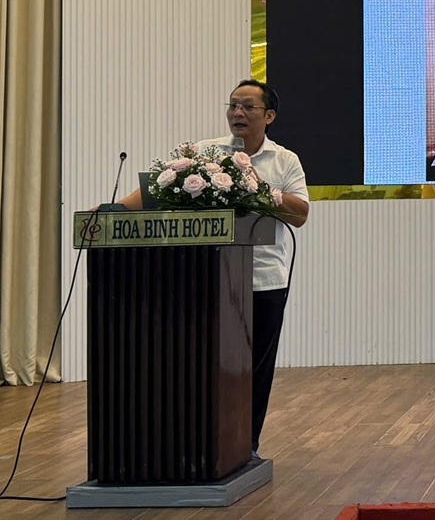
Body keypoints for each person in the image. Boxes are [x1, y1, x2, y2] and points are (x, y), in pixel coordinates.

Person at [119, 79, 309, 459]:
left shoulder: (284, 160)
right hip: (206, 277)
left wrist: (260, 189)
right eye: (233, 105)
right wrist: (113, 210)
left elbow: (300, 214)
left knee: (254, 369)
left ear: (269, 116)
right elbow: (159, 189)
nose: (238, 113)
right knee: (201, 363)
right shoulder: (205, 153)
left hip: (264, 281)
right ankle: (196, 444)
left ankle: (245, 447)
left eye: (248, 107)